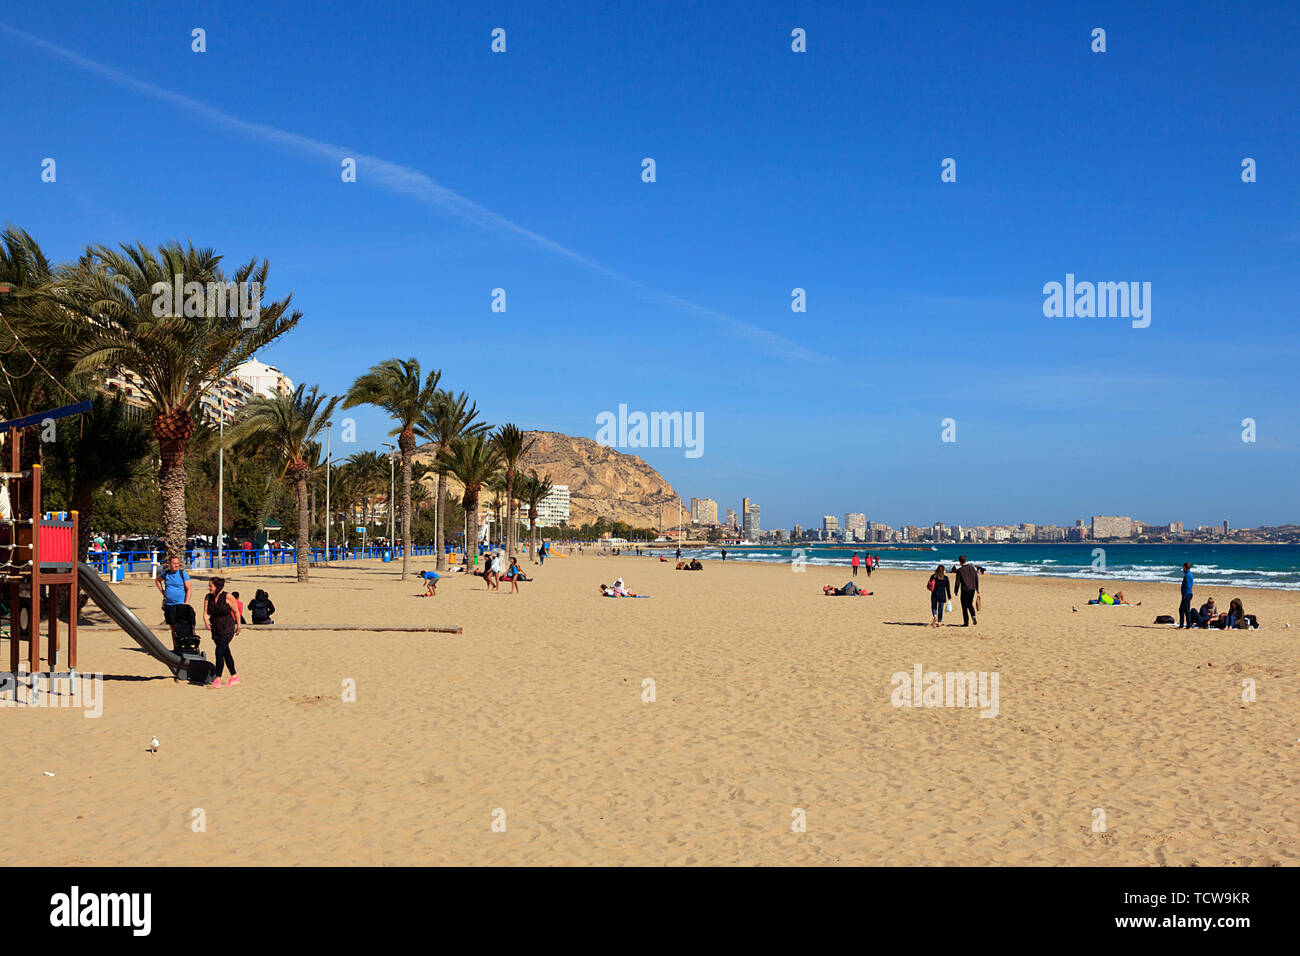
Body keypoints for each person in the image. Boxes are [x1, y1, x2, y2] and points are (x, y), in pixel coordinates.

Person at [202, 576, 240, 687]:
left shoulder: (228, 596)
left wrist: (239, 626)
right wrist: (206, 621)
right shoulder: (208, 597)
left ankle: (218, 678)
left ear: (218, 587)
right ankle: (234, 676)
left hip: (227, 626)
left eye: (211, 586)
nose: (209, 588)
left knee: (219, 651)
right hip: (215, 628)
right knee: (225, 652)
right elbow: (205, 612)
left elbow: (236, 612)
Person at [154, 555, 192, 646]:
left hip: (180, 604)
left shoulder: (183, 574)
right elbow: (157, 580)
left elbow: (189, 589)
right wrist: (163, 592)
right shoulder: (166, 574)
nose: (176, 565)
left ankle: (183, 645)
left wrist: (186, 603)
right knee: (173, 627)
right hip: (169, 604)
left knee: (181, 626)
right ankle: (176, 646)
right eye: (174, 563)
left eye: (177, 563)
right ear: (170, 564)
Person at [953, 555, 979, 626]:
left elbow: (957, 582)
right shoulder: (972, 568)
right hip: (972, 589)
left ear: (960, 561)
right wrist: (977, 589)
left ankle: (966, 622)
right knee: (970, 604)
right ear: (965, 560)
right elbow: (976, 579)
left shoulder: (959, 570)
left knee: (964, 606)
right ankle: (973, 616)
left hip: (965, 590)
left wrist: (956, 590)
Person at [1178, 562, 1194, 629]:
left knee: (1186, 610)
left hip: (1187, 594)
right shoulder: (1189, 574)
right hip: (1187, 594)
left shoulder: (1187, 575)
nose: (1182, 569)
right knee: (1181, 609)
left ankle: (1188, 625)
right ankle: (1181, 625)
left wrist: (1185, 595)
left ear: (1185, 567)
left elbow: (1187, 585)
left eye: (1183, 567)